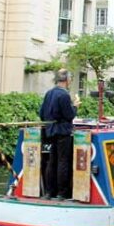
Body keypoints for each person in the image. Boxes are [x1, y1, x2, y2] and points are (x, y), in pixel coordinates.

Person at [39, 69, 81, 200]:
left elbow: (41, 114)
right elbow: (69, 115)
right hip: (63, 131)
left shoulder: (49, 93)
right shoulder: (64, 95)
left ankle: (48, 192)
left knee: (52, 161)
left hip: (50, 131)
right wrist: (75, 106)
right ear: (67, 80)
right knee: (63, 161)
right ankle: (62, 193)